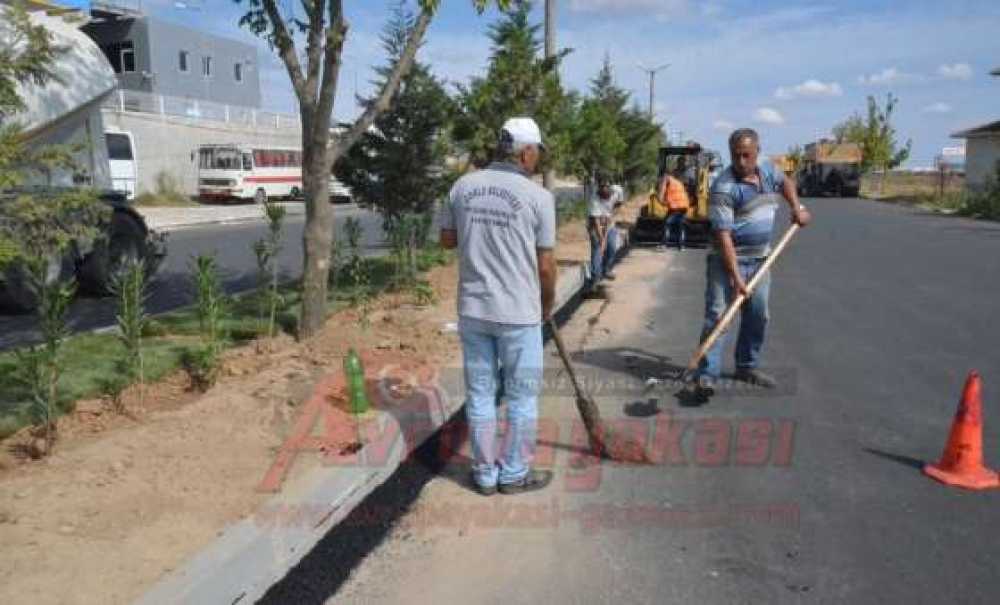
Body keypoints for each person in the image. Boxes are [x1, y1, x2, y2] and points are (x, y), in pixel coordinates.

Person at [439, 117, 557, 496]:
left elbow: (446, 241)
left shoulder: (462, 186)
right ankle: (513, 474)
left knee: (480, 395)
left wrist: (480, 237)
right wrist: (547, 305)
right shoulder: (539, 198)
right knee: (521, 398)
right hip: (519, 315)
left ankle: (485, 475)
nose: (537, 159)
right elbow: (546, 266)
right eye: (536, 152)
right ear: (525, 152)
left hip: (473, 311)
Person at [694, 128, 812, 400]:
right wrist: (736, 277)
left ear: (757, 151)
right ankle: (706, 376)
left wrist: (797, 207)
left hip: (761, 259)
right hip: (726, 261)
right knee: (719, 315)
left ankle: (746, 367)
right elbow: (723, 237)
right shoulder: (723, 187)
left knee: (758, 315)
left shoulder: (768, 169)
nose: (741, 161)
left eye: (747, 155)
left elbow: (786, 183)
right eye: (736, 156)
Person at [587, 174, 619, 286]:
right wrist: (602, 239)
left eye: (607, 187)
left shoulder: (616, 192)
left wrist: (605, 237)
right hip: (595, 226)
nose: (605, 189)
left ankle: (606, 269)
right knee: (598, 250)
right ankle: (595, 277)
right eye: (602, 187)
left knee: (612, 248)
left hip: (609, 225)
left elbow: (616, 207)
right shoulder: (594, 199)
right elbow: (596, 222)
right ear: (599, 189)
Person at [658, 166, 691, 249]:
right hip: (684, 206)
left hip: (675, 206)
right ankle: (682, 246)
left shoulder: (666, 178)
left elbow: (661, 194)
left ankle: (664, 244)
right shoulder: (677, 181)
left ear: (664, 174)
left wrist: (661, 201)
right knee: (681, 225)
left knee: (667, 224)